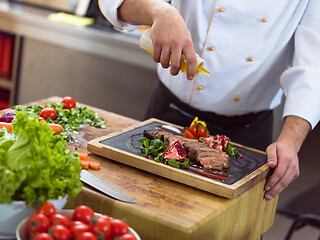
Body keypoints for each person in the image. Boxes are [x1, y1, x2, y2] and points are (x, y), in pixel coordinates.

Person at [98, 0, 320, 201]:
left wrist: (291, 140)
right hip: (168, 117)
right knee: (144, 208)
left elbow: (314, 64)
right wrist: (159, 11)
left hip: (251, 133)